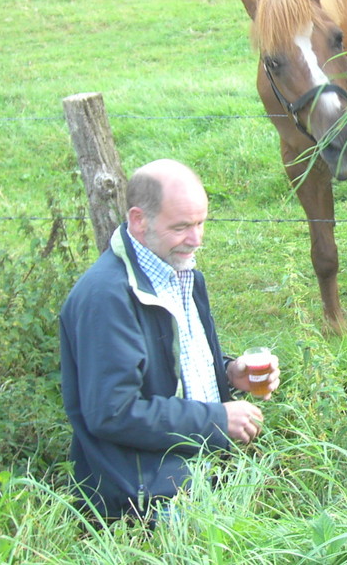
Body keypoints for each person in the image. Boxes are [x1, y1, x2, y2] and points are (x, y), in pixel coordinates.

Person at [59, 159, 280, 521]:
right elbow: (112, 413)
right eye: (181, 227)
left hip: (196, 478)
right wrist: (216, 420)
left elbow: (168, 369)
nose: (196, 239)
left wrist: (228, 373)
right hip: (141, 498)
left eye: (201, 223)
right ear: (138, 220)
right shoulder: (107, 298)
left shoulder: (180, 273)